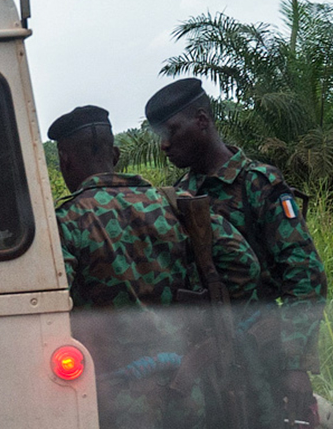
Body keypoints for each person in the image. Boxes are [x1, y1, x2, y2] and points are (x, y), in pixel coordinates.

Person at [49, 105, 260, 429]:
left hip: (115, 394)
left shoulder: (67, 223)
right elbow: (244, 265)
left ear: (65, 160)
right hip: (186, 383)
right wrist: (206, 328)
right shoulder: (175, 203)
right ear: (116, 154)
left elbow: (51, 304)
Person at [145, 78, 328, 428]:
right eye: (160, 136)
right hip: (205, 359)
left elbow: (304, 275)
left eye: (171, 130)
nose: (164, 145)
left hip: (259, 357)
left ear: (201, 120)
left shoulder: (258, 184)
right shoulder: (179, 194)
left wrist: (295, 365)